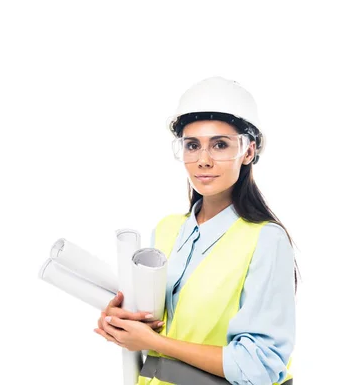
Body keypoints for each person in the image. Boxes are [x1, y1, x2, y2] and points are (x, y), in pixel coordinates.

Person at [94, 76, 298, 385]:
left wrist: (153, 343)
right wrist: (121, 321)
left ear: (247, 151)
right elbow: (152, 323)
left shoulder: (266, 240)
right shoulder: (166, 230)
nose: (203, 160)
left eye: (220, 145)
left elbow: (258, 367)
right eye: (192, 146)